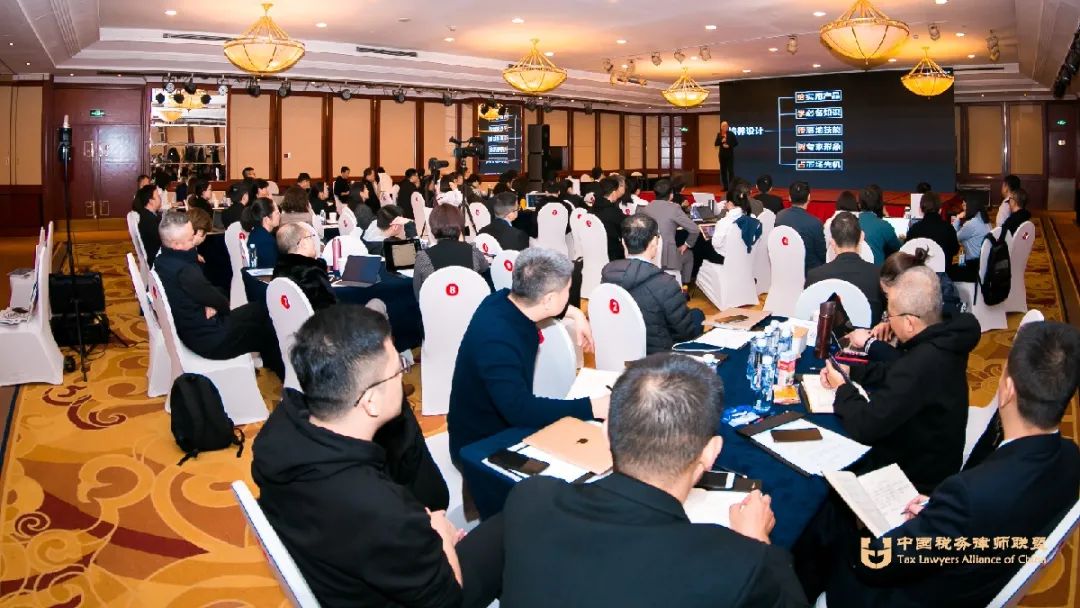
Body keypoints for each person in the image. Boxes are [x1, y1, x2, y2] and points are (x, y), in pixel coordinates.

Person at [500, 353, 808, 608]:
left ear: (606, 433)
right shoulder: (737, 565)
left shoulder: (530, 497)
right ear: (711, 452)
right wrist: (757, 541)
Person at [811, 321, 1080, 608]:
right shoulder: (1070, 457)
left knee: (823, 520)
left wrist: (859, 538)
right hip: (976, 568)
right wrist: (937, 512)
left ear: (1008, 390)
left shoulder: (969, 494)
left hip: (911, 596)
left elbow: (876, 562)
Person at [253, 305, 503, 608]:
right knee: (523, 512)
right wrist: (439, 533)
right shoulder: (382, 508)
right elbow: (447, 598)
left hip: (338, 573)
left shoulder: (278, 433)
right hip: (412, 592)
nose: (403, 376)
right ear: (370, 401)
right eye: (398, 370)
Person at [821, 266, 980, 492]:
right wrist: (853, 371)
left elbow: (865, 426)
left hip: (915, 477)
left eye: (889, 315)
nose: (887, 321)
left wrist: (842, 388)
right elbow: (896, 369)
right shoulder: (944, 337)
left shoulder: (921, 363)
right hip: (938, 452)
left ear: (909, 323)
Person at [447, 248, 607, 460]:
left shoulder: (499, 300)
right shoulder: (498, 340)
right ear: (548, 300)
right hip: (482, 445)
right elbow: (521, 410)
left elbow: (545, 304)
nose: (569, 295)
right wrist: (593, 407)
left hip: (499, 423)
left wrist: (576, 314)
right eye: (568, 290)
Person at [152, 211, 284, 378]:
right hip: (210, 339)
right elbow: (221, 302)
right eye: (191, 238)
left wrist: (210, 303)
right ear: (176, 244)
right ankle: (283, 376)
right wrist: (214, 303)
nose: (194, 240)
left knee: (260, 308)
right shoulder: (186, 271)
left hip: (196, 328)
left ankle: (271, 364)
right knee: (265, 331)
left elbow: (209, 296)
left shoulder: (162, 261)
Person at [602, 215, 704, 353]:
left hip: (621, 349)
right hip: (658, 356)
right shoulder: (666, 284)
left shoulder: (608, 274)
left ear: (624, 243)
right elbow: (686, 333)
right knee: (697, 315)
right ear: (655, 242)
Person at [845, 248, 964, 364]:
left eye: (888, 294)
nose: (888, 300)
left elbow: (910, 364)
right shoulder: (929, 304)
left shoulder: (939, 330)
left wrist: (869, 343)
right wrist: (890, 322)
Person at [806, 212, 883, 323]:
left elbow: (808, 317)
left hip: (829, 333)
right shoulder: (878, 276)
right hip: (870, 333)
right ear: (862, 237)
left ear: (832, 243)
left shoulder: (815, 276)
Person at [412, 204, 489, 299]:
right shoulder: (473, 251)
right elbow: (485, 269)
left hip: (437, 307)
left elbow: (419, 295)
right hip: (472, 305)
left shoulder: (423, 257)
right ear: (460, 227)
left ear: (432, 228)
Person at [635, 178, 698, 282]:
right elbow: (695, 229)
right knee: (689, 255)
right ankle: (684, 285)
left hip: (649, 255)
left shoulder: (645, 208)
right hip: (668, 258)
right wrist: (686, 244)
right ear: (671, 194)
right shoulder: (674, 208)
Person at [273, 222, 336, 310]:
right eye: (310, 237)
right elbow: (330, 308)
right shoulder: (311, 273)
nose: (313, 242)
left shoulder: (278, 270)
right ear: (303, 243)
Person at [776, 181, 826, 272]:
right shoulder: (815, 223)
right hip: (810, 273)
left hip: (785, 268)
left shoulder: (779, 216)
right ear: (809, 197)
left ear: (790, 198)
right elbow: (823, 255)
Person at [905, 191, 960, 272]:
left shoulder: (914, 229)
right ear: (940, 209)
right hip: (942, 274)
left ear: (921, 209)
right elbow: (955, 250)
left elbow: (907, 251)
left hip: (920, 274)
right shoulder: (948, 228)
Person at [711, 181, 762, 264]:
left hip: (728, 261)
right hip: (747, 258)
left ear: (729, 203)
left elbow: (716, 244)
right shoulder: (752, 218)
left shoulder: (724, 222)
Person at [948, 197, 991, 283]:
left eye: (965, 205)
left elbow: (953, 237)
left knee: (948, 271)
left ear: (971, 207)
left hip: (973, 267)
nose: (963, 208)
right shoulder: (986, 221)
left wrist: (957, 218)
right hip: (984, 264)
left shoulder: (972, 223)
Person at [857, 186, 901, 265]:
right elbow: (898, 248)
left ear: (859, 205)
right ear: (879, 204)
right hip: (877, 271)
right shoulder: (884, 225)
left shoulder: (848, 223)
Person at [591, 177, 628, 262]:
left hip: (594, 251)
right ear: (614, 192)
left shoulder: (592, 208)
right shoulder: (613, 212)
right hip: (612, 255)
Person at [240, 197, 281, 269]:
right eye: (277, 213)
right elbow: (272, 269)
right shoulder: (266, 241)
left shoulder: (255, 232)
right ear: (266, 219)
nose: (280, 215)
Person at [132, 184, 162, 267]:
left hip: (156, 255)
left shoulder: (147, 215)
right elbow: (162, 240)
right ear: (151, 201)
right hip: (157, 259)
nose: (160, 198)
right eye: (158, 195)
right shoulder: (149, 220)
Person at [714, 120, 739, 191]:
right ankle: (725, 187)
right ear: (721, 127)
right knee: (723, 171)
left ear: (728, 127)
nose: (725, 127)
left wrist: (729, 145)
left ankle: (731, 187)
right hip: (722, 155)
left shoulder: (731, 134)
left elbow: (736, 143)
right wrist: (721, 141)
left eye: (726, 126)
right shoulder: (719, 134)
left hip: (729, 155)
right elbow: (716, 144)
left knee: (731, 171)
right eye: (723, 126)